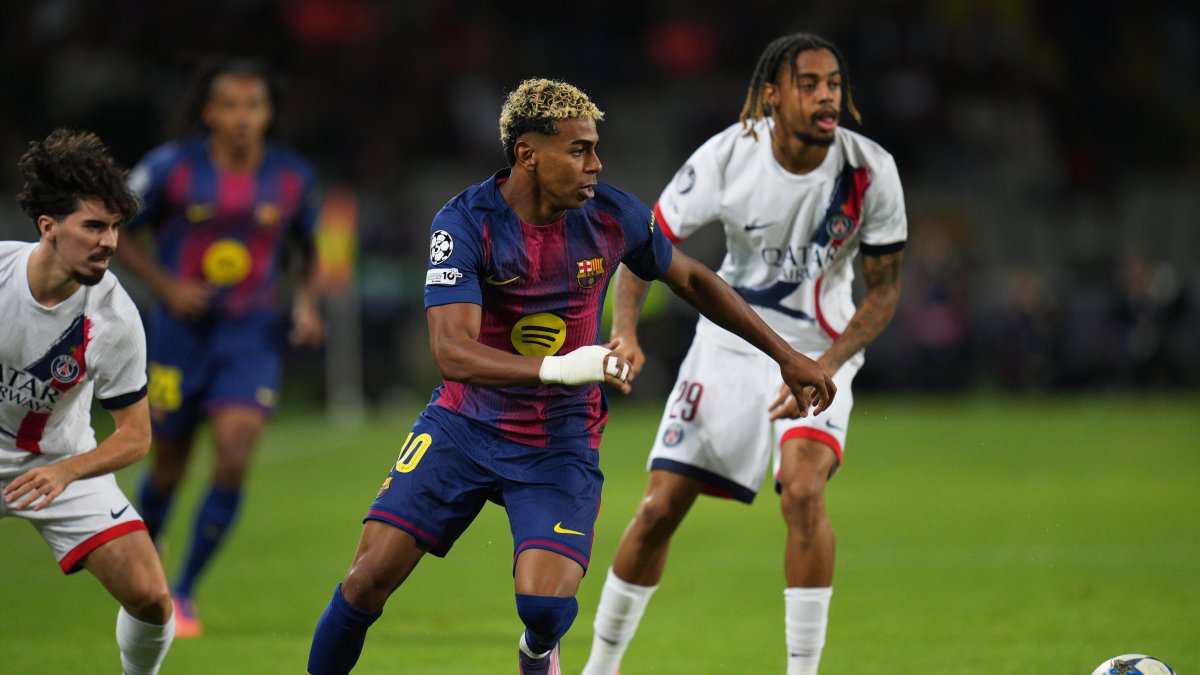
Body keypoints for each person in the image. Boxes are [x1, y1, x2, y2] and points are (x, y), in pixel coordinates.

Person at [306, 77, 835, 675]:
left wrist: (784, 354)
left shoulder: (612, 215)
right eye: (579, 150)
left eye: (595, 148)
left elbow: (691, 278)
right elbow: (451, 352)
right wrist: (563, 367)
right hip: (462, 426)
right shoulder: (465, 223)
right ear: (528, 155)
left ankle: (537, 652)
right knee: (365, 581)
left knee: (544, 608)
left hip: (558, 439)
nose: (595, 164)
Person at [583, 32, 907, 675]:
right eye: (809, 84)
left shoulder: (870, 170)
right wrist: (627, 330)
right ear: (772, 95)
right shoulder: (729, 156)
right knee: (658, 509)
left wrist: (828, 364)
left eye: (834, 84)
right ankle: (599, 668)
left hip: (819, 347)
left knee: (803, 492)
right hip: (730, 343)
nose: (826, 97)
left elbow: (885, 290)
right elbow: (646, 242)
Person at [116, 58, 324, 637]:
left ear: (269, 113)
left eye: (253, 106)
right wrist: (165, 286)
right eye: (229, 105)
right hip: (178, 336)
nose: (241, 117)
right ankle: (150, 558)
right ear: (209, 112)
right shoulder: (170, 168)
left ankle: (183, 591)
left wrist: (307, 305)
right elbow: (119, 229)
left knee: (233, 453)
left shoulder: (292, 177)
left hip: (250, 334)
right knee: (167, 466)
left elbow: (308, 249)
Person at [1, 129, 175, 675]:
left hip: (60, 462)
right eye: (94, 226)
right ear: (48, 227)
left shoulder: (114, 317)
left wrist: (66, 472)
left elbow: (136, 437)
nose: (109, 242)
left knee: (151, 596)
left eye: (115, 227)